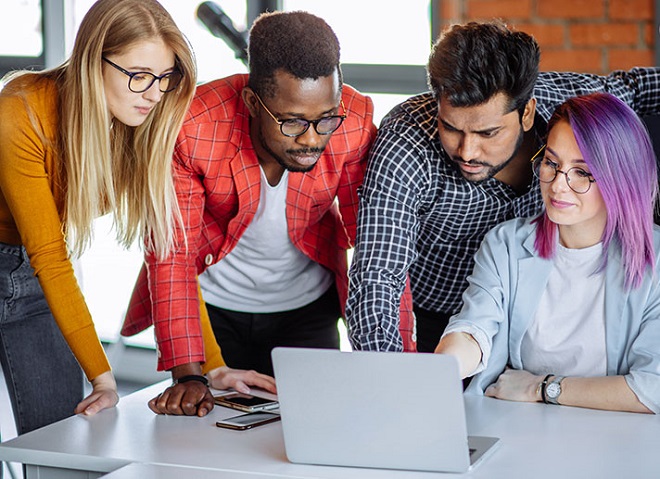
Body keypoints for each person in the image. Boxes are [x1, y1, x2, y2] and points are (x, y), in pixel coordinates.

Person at [346, 20, 660, 354]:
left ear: (527, 113)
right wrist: (383, 371)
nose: (467, 151)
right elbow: (376, 274)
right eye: (451, 128)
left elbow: (639, 88)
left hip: (528, 316)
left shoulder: (567, 106)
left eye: (487, 133)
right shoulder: (408, 140)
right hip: (439, 319)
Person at [121, 10, 376, 416]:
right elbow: (172, 250)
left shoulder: (353, 121)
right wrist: (188, 373)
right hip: (216, 306)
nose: (312, 139)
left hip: (307, 306)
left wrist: (395, 360)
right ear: (253, 103)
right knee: (211, 440)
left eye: (325, 119)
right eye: (292, 122)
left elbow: (377, 247)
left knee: (315, 430)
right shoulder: (193, 126)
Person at [0, 0, 196, 442]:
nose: (153, 93)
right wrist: (103, 374)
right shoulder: (19, 111)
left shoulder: (140, 124)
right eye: (139, 76)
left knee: (59, 445)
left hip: (30, 282)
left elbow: (170, 252)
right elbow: (50, 254)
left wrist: (208, 368)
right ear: (94, 60)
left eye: (164, 78)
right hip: (36, 260)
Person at [435, 92, 660, 414]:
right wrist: (444, 366)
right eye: (552, 163)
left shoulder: (656, 260)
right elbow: (475, 327)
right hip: (519, 428)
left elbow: (652, 389)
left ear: (621, 178)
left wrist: (543, 388)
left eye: (582, 172)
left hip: (619, 438)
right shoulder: (507, 244)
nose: (557, 185)